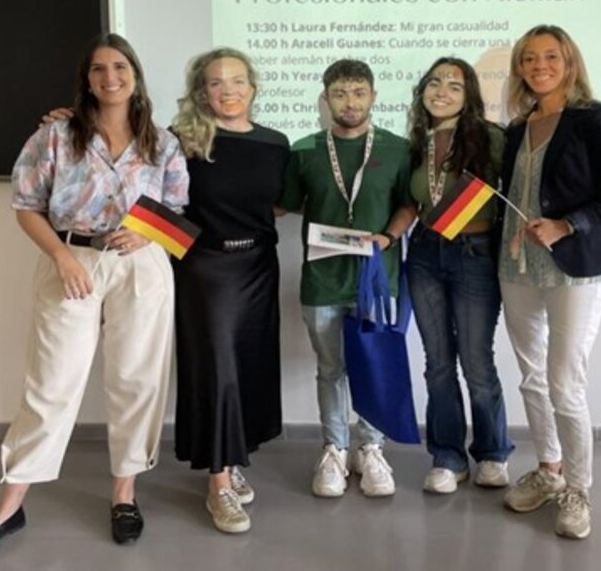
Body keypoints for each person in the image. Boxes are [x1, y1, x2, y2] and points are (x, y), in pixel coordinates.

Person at [0, 34, 188, 563]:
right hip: (72, 261)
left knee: (136, 379)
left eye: (120, 67)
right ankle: (9, 507)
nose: (110, 77)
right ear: (87, 78)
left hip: (142, 267)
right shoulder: (56, 136)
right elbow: (25, 205)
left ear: (135, 74)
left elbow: (177, 207)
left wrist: (150, 235)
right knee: (51, 384)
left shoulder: (163, 141)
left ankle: (124, 495)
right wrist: (62, 257)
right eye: (99, 69)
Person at [497, 25, 601, 539]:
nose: (540, 65)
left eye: (551, 56)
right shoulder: (518, 127)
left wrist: (567, 225)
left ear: (570, 63)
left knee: (565, 383)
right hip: (516, 267)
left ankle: (579, 490)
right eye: (529, 58)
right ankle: (549, 471)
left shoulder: (599, 120)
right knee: (532, 377)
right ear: (519, 68)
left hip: (577, 266)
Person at [277, 59, 414, 499]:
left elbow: (409, 205)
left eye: (358, 93)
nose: (350, 102)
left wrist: (388, 237)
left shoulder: (397, 149)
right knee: (331, 368)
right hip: (321, 277)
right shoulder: (304, 150)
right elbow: (284, 205)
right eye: (340, 94)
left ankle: (370, 447)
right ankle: (334, 448)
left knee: (370, 363)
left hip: (375, 278)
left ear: (373, 96)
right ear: (325, 98)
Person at [170, 48, 290, 534]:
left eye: (238, 80)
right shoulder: (182, 141)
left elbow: (278, 206)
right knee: (216, 371)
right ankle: (218, 484)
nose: (229, 90)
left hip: (260, 264)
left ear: (253, 87)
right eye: (216, 83)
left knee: (247, 368)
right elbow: (162, 202)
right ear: (202, 91)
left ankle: (232, 459)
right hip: (206, 269)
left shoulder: (275, 143)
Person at [404, 57, 514, 494]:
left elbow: (520, 190)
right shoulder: (417, 142)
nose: (442, 91)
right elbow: (412, 203)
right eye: (434, 82)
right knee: (437, 365)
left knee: (476, 362)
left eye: (454, 84)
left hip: (476, 254)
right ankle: (448, 457)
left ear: (469, 94)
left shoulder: (491, 138)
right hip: (427, 254)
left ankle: (491, 453)